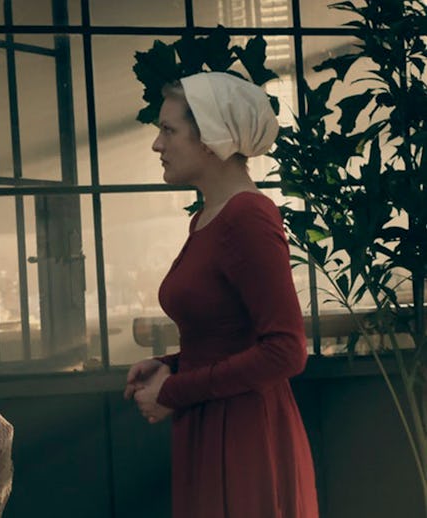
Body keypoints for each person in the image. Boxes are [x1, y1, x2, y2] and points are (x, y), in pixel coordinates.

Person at [124, 72, 318, 517]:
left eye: (168, 130)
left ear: (210, 139)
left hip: (246, 435)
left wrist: (174, 389)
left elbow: (287, 350)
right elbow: (229, 334)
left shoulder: (247, 217)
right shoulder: (208, 217)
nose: (157, 144)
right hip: (212, 421)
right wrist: (171, 365)